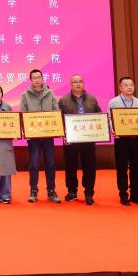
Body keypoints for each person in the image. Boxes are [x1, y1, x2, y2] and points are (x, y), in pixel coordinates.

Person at [58, 74, 102, 205]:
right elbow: (59, 119)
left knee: (89, 167)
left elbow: (99, 116)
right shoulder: (63, 100)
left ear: (83, 83)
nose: (78, 84)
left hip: (88, 140)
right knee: (70, 166)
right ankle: (72, 191)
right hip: (70, 140)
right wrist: (62, 132)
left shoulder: (92, 99)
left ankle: (89, 192)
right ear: (71, 84)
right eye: (75, 82)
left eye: (80, 81)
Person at [20, 69, 61, 203]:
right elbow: (22, 114)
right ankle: (33, 190)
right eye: (34, 78)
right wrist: (26, 130)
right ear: (30, 80)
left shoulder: (50, 93)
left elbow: (56, 111)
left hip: (48, 136)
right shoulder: (25, 95)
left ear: (42, 78)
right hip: (33, 137)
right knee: (33, 164)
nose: (37, 80)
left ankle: (51, 191)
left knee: (50, 163)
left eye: (39, 77)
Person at [107, 77, 138, 206]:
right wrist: (113, 129)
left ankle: (135, 195)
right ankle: (123, 195)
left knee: (136, 169)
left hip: (136, 140)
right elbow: (109, 119)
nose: (129, 87)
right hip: (121, 140)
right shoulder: (113, 102)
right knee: (122, 168)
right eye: (126, 85)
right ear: (120, 88)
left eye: (131, 85)